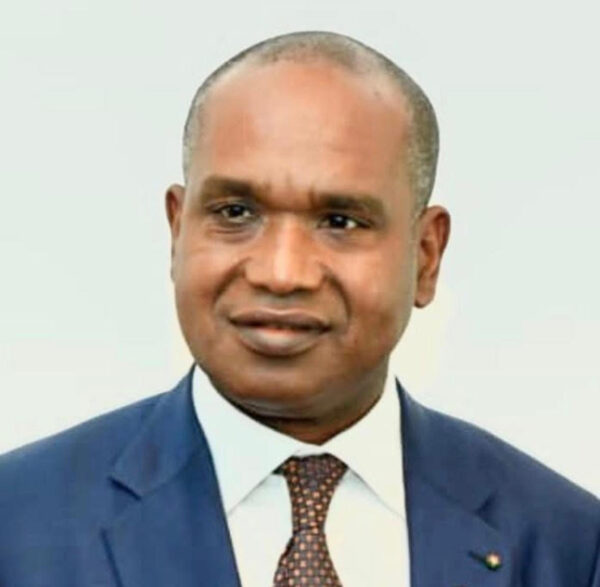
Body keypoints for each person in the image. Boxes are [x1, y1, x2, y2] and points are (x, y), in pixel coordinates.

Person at [0, 30, 598, 587]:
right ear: (177, 232)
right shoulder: (18, 524)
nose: (281, 272)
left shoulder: (565, 543)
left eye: (340, 221)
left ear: (426, 256)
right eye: (236, 213)